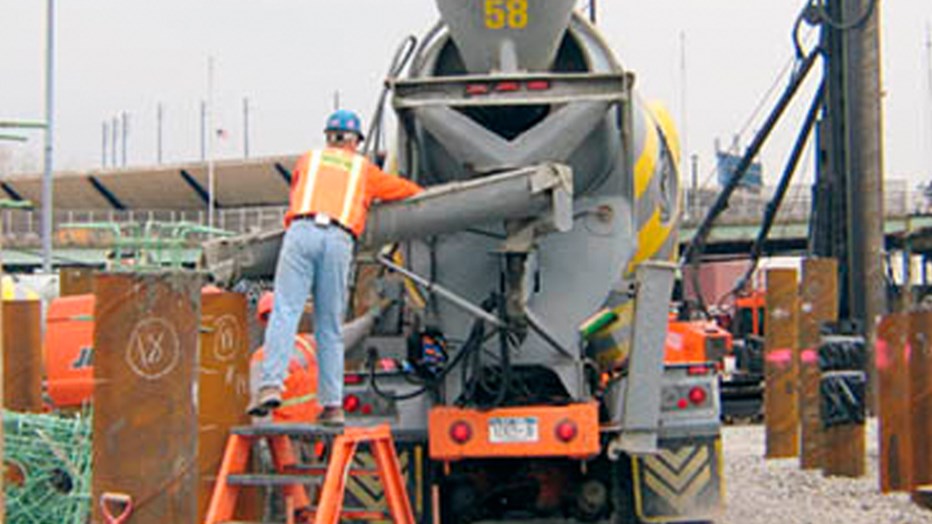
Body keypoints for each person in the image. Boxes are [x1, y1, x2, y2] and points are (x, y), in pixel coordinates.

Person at [248, 109, 423, 425]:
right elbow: (401, 190)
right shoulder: (363, 169)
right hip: (338, 237)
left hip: (300, 232)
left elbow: (299, 192)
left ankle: (271, 385)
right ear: (355, 141)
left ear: (328, 136)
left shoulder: (308, 160)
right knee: (329, 326)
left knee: (285, 310)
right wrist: (427, 194)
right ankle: (332, 406)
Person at [249, 291, 321, 422]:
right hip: (287, 433)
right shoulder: (260, 358)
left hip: (316, 431)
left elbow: (341, 337)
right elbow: (259, 409)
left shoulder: (306, 343)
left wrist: (367, 320)